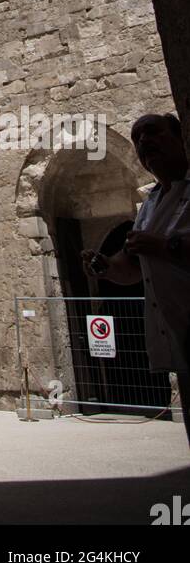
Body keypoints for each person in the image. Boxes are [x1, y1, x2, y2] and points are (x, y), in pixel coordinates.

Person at [81, 113, 190, 445]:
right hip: (181, 339)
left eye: (153, 132)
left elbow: (161, 249)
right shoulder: (151, 204)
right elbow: (131, 268)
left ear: (180, 136)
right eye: (138, 138)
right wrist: (106, 267)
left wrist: (165, 246)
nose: (145, 142)